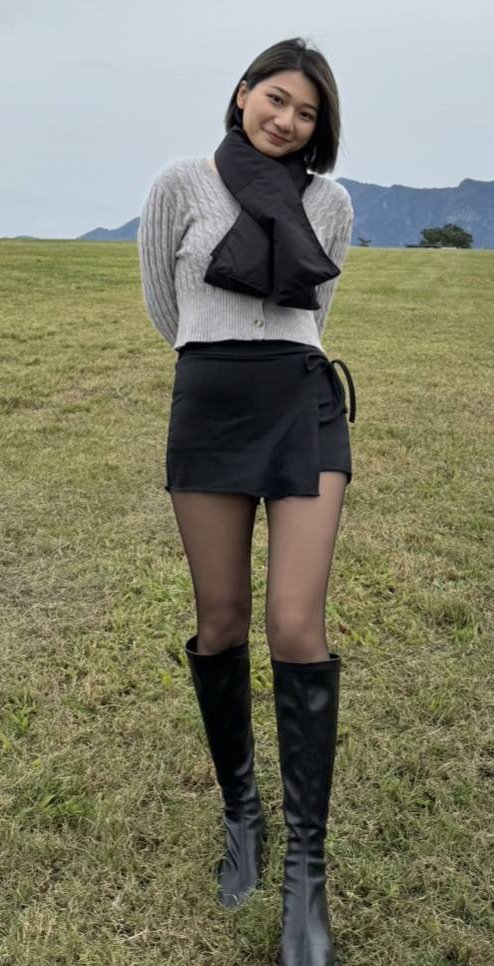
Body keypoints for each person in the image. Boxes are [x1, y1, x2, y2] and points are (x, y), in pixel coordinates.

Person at [138, 36, 355, 966]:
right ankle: (242, 814)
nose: (287, 120)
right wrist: (218, 355)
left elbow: (316, 314)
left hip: (302, 404)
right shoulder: (181, 185)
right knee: (219, 619)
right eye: (276, 99)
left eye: (307, 112)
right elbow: (165, 305)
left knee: (295, 625)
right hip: (210, 407)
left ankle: (306, 872)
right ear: (241, 95)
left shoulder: (330, 202)